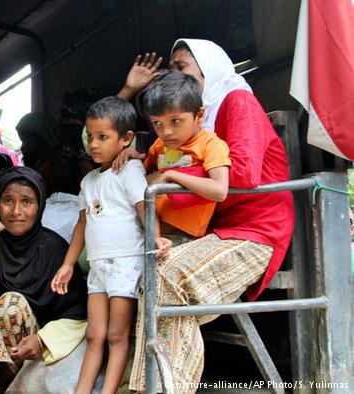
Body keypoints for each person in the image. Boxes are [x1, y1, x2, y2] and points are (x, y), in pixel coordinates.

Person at [116, 39, 294, 392]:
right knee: (152, 275)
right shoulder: (186, 125)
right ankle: (149, 388)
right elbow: (160, 162)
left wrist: (169, 177)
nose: (174, 73)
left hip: (255, 231)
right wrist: (141, 163)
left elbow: (241, 174)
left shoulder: (236, 101)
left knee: (171, 277)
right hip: (215, 231)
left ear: (208, 69)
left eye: (182, 66)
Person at [50, 97, 171, 394]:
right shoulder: (88, 181)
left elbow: (144, 207)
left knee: (117, 335)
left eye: (103, 137)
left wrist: (154, 237)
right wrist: (67, 264)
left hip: (126, 263)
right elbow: (82, 224)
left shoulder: (129, 171)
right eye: (90, 136)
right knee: (95, 334)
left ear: (126, 138)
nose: (93, 144)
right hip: (98, 267)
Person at [0, 167, 88, 392]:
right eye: (8, 200)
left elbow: (78, 312)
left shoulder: (54, 249)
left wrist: (42, 339)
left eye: (26, 202)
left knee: (10, 305)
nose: (16, 211)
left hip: (29, 343)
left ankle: (7, 379)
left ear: (39, 205)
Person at [141, 70, 231, 238]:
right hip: (149, 231)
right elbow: (139, 181)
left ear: (199, 115)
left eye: (175, 121)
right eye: (157, 123)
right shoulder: (159, 145)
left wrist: (173, 175)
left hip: (183, 237)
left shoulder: (211, 145)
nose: (166, 132)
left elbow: (219, 190)